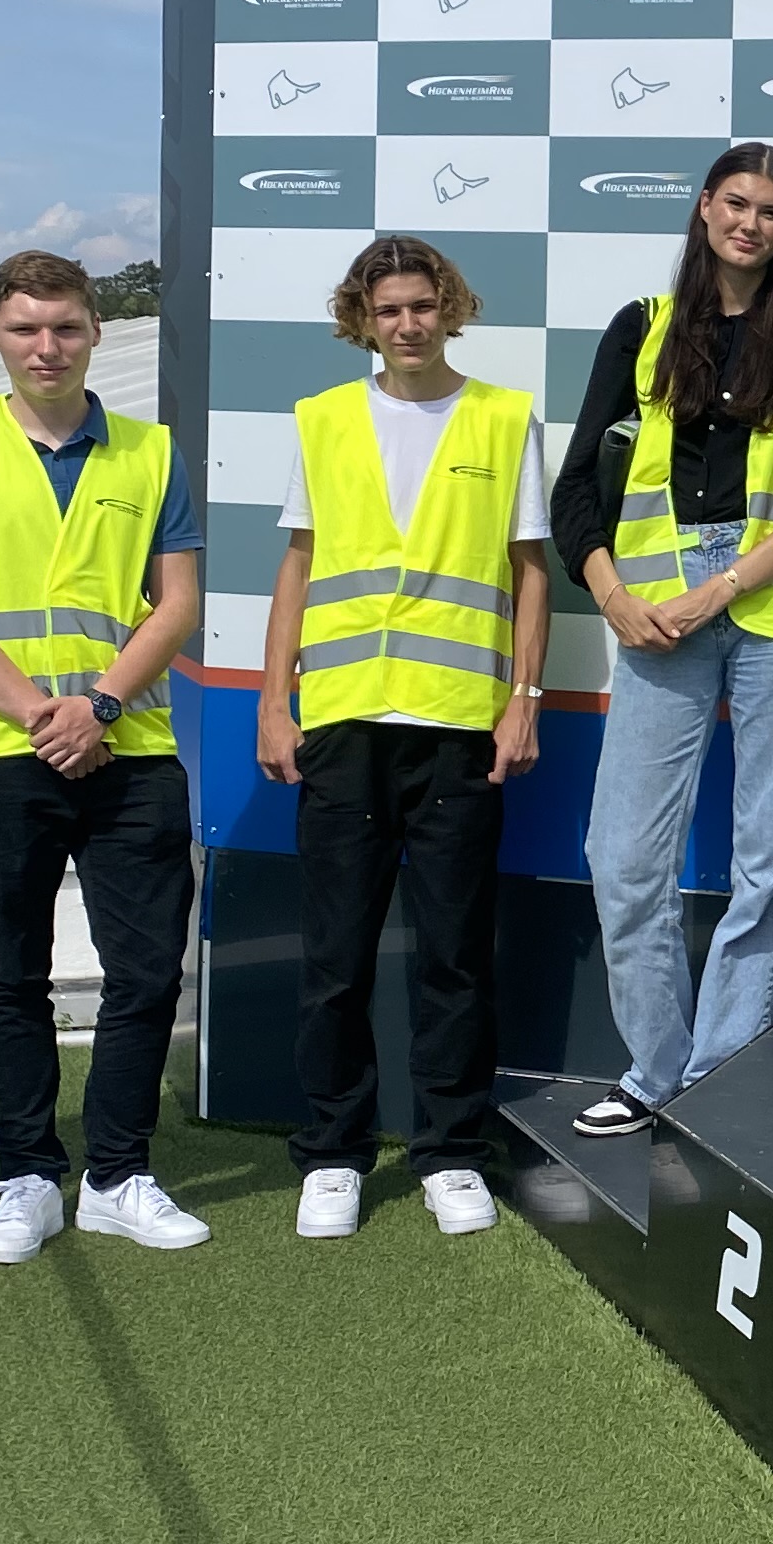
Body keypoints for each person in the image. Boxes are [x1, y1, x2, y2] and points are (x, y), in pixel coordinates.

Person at [0, 249, 211, 1261]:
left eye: (66, 327)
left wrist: (101, 707)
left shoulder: (150, 453)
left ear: (95, 333)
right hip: (0, 750)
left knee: (147, 972)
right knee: (9, 972)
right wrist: (47, 714)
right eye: (27, 327)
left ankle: (117, 1174)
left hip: (131, 746)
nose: (47, 347)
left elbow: (178, 604)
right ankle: (28, 1174)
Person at [549, 145, 773, 1134]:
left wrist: (719, 588)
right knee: (620, 856)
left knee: (765, 858)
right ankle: (655, 1068)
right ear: (703, 209)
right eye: (736, 203)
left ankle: (721, 1080)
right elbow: (575, 493)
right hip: (651, 618)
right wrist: (615, 599)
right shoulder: (640, 328)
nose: (750, 224)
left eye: (771, 211)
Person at [257, 234, 552, 1237]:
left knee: (455, 957)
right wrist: (274, 701)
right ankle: (333, 1154)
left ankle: (451, 1152)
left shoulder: (505, 417)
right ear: (362, 320)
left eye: (423, 305)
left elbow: (530, 569)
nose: (408, 324)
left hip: (460, 725)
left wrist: (525, 697)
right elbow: (299, 563)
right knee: (335, 958)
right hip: (344, 723)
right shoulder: (324, 417)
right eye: (388, 310)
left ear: (449, 308)